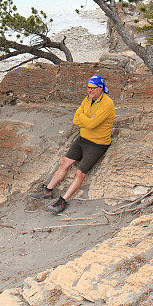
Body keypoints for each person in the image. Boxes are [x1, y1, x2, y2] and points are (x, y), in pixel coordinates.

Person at [30, 74, 115, 214]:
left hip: (97, 144)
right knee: (65, 162)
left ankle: (63, 201)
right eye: (88, 88)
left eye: (93, 88)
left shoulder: (107, 103)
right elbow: (76, 119)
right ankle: (48, 191)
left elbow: (92, 124)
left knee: (80, 173)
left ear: (101, 88)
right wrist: (86, 119)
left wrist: (85, 119)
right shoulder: (87, 100)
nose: (90, 91)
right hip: (83, 139)